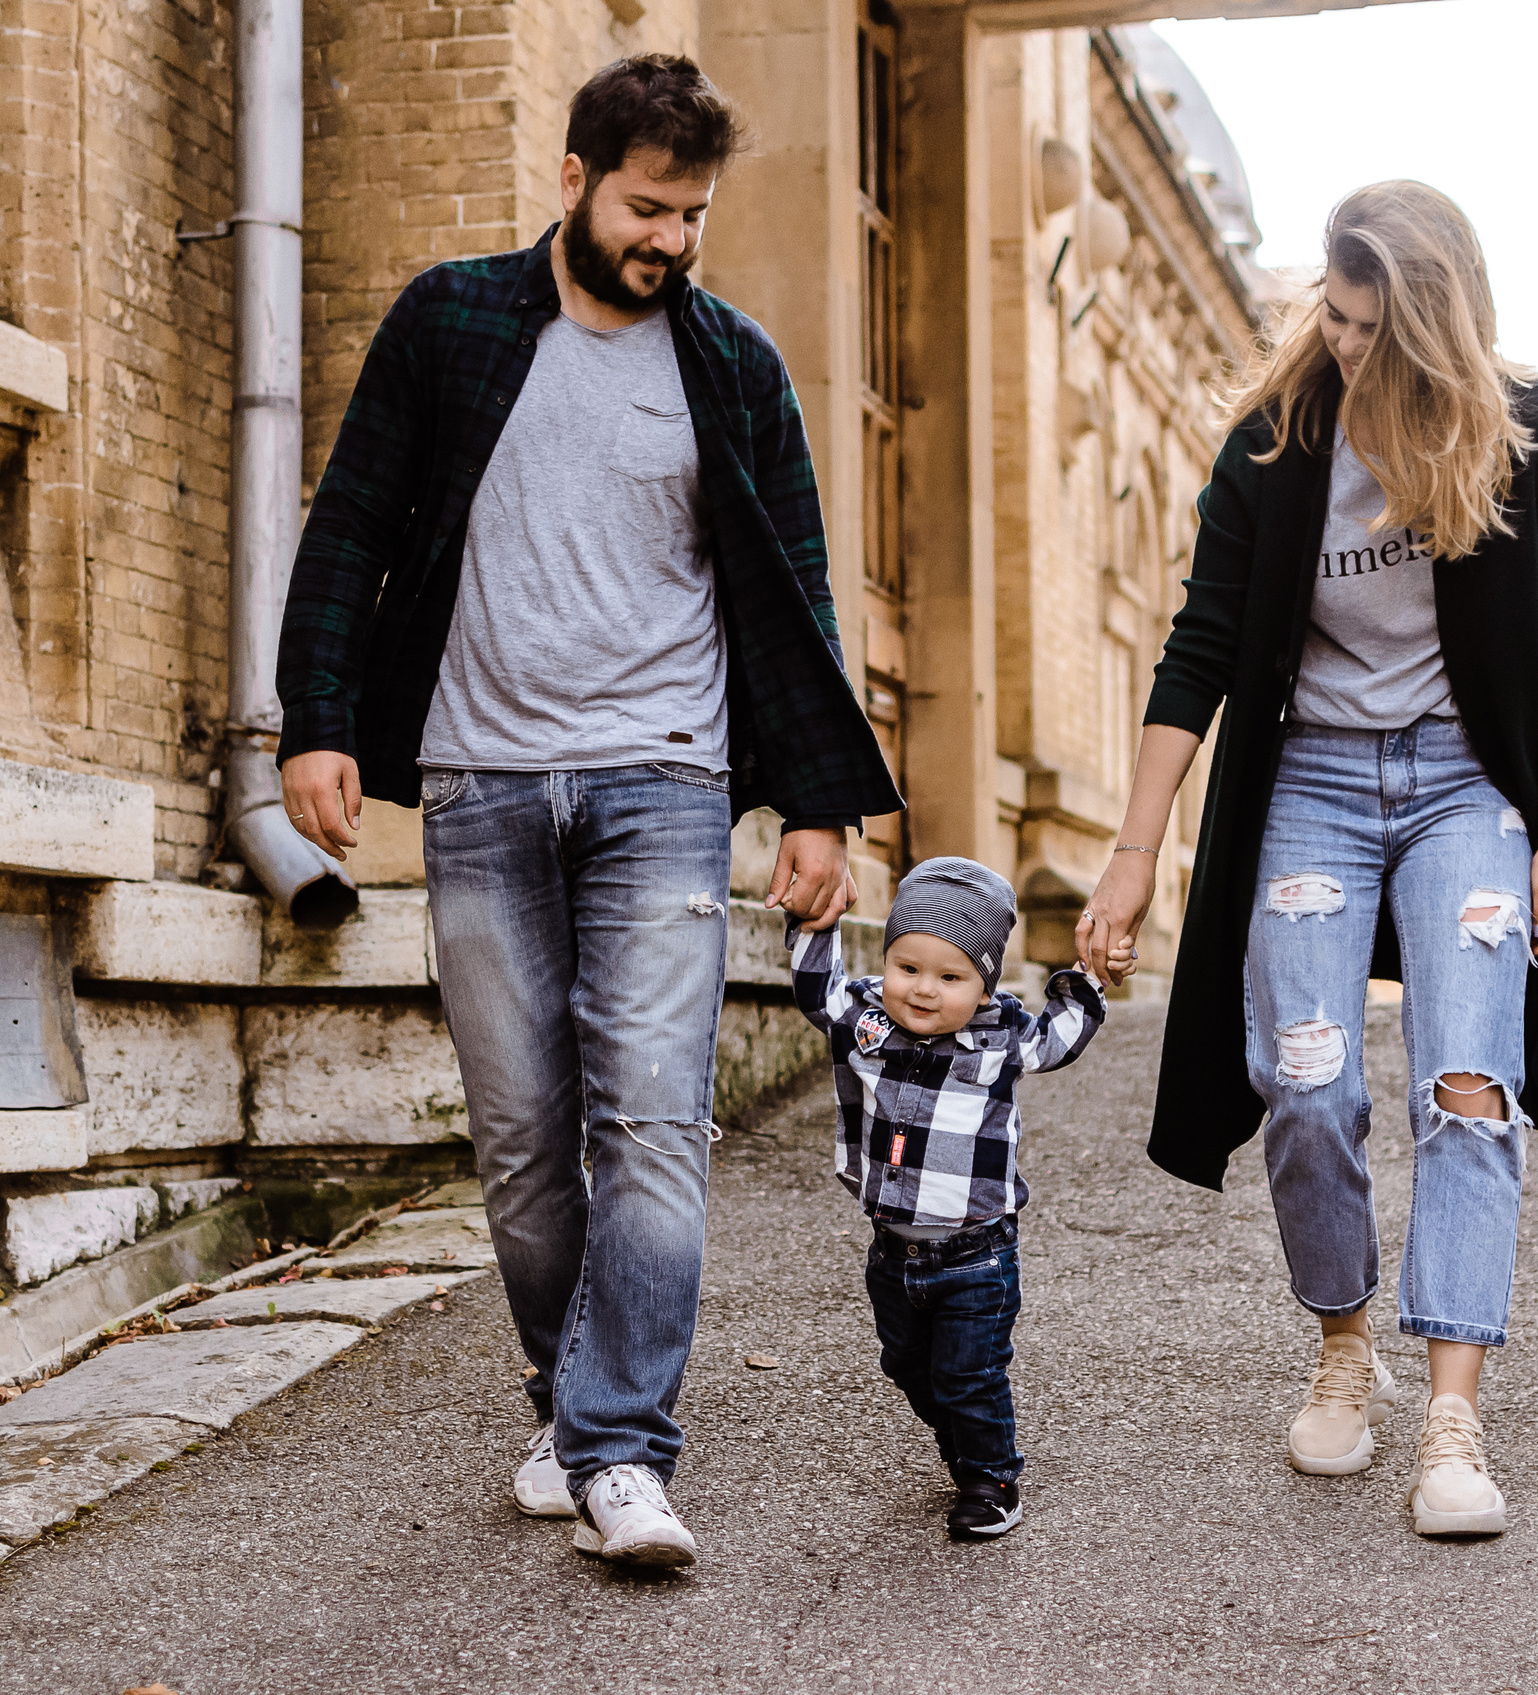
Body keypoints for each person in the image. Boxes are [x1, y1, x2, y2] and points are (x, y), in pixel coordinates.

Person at [275, 54, 901, 1570]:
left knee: (657, 1121)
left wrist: (818, 803)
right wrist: (319, 724)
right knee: (522, 1134)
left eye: (691, 214)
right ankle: (571, 1394)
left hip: (666, 779)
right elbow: (351, 520)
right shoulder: (453, 320)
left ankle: (622, 1445)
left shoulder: (733, 366)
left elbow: (795, 584)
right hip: (483, 776)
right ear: (572, 181)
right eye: (645, 206)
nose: (670, 239)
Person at [1077, 181, 1538, 1539]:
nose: (1349, 342)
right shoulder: (1276, 436)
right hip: (1308, 781)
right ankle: (1343, 1342)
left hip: (1465, 789)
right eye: (1338, 313)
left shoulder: (1531, 431)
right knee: (1305, 1082)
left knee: (1470, 1087)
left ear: (1437, 326)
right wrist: (1135, 851)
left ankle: (1452, 1417)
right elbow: (1199, 645)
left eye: (1374, 326)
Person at [788, 857, 1110, 1540]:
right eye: (908, 967)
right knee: (905, 1364)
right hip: (891, 1253)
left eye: (951, 976)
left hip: (975, 1256)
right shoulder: (867, 1024)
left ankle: (991, 1477)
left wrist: (1088, 976)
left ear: (985, 982)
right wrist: (819, 923)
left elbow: (1062, 1036)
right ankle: (967, 1442)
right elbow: (818, 992)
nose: (924, 990)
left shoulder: (1001, 1036)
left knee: (970, 1372)